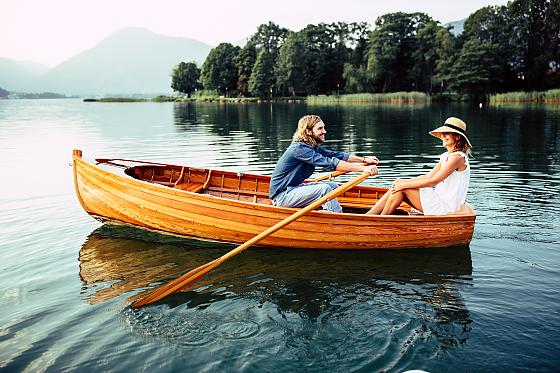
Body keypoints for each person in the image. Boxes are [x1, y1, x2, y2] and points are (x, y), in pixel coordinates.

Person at [269, 114, 379, 213]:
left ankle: (325, 211)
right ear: (308, 131)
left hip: (293, 189)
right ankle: (338, 218)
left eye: (323, 127)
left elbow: (335, 155)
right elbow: (329, 163)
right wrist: (363, 169)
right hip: (282, 196)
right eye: (320, 128)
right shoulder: (299, 148)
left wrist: (364, 160)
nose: (324, 131)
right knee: (325, 189)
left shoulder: (311, 146)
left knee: (333, 186)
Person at [366, 116, 472, 215]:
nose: (443, 135)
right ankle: (371, 216)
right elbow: (429, 176)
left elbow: (434, 181)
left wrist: (404, 185)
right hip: (438, 199)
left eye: (447, 133)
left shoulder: (458, 157)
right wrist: (404, 181)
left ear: (457, 137)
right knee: (398, 186)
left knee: (401, 188)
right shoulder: (446, 156)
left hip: (447, 208)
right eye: (443, 133)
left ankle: (379, 220)